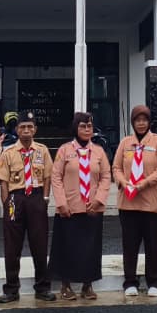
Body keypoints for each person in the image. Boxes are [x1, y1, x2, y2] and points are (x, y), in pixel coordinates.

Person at [0, 111, 56, 304]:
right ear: (17, 130)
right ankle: (11, 289)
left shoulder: (42, 150)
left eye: (30, 127)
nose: (26, 130)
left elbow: (47, 176)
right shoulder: (8, 152)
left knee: (40, 244)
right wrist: (7, 203)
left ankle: (42, 287)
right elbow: (3, 180)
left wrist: (45, 198)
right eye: (22, 127)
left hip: (36, 197)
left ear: (35, 129)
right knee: (12, 246)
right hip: (15, 198)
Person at [49, 112, 111, 300]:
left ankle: (87, 285)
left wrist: (99, 200)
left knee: (90, 248)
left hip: (92, 208)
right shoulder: (65, 150)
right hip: (69, 209)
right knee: (67, 247)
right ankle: (65, 285)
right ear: (76, 128)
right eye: (83, 126)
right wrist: (61, 203)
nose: (86, 129)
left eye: (89, 126)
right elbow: (56, 177)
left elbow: (106, 176)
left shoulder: (99, 151)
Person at [112, 104, 157, 297]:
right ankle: (130, 281)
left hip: (151, 202)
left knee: (153, 244)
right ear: (132, 122)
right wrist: (123, 182)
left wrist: (144, 183)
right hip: (128, 202)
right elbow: (116, 167)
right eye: (137, 120)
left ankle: (155, 281)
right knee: (129, 244)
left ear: (149, 122)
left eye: (144, 120)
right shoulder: (125, 143)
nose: (141, 123)